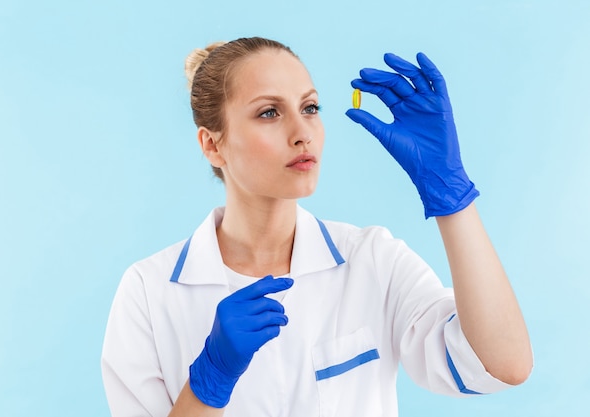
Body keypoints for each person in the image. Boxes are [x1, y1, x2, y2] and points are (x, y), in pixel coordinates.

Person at [101, 36, 532, 417]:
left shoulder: (372, 260)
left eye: (310, 108)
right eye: (270, 112)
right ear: (212, 145)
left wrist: (451, 197)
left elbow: (502, 365)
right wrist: (208, 381)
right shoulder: (148, 292)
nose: (302, 133)